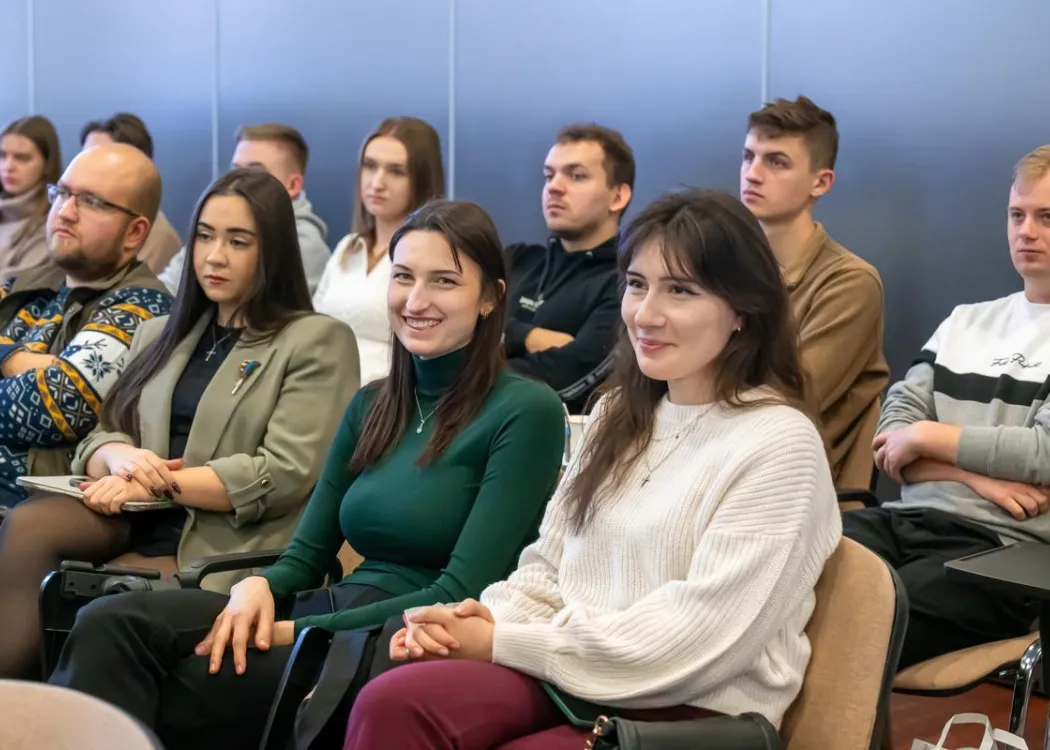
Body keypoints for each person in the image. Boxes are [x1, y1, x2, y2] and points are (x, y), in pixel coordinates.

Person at [48, 200, 566, 750]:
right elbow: (305, 558)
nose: (416, 301)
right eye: (404, 277)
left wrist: (290, 632)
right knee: (110, 622)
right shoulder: (373, 404)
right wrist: (256, 587)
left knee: (177, 679)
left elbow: (460, 590)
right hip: (331, 609)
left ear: (490, 297)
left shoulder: (525, 410)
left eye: (444, 282)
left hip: (404, 635)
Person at [344, 189, 843, 749]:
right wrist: (477, 619)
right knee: (393, 700)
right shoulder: (616, 414)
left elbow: (696, 641)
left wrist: (505, 642)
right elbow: (548, 566)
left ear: (743, 312)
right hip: (572, 676)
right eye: (636, 284)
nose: (645, 313)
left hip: (693, 712)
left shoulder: (779, 444)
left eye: (680, 290)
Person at [0, 168, 360, 679]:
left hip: (223, 541)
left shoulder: (316, 340)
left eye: (238, 241)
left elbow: (282, 473)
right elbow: (104, 433)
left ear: (273, 250)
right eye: (206, 237)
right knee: (29, 523)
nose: (214, 256)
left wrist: (153, 484)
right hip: (133, 514)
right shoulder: (160, 334)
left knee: (97, 606)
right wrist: (120, 459)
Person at [842, 145, 1050, 668]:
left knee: (861, 623)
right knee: (779, 574)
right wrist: (976, 477)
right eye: (1017, 214)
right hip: (903, 519)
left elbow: (1043, 455)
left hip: (1009, 550)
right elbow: (893, 436)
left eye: (1046, 217)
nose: (1026, 231)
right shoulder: (964, 321)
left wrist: (930, 439)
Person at [0, 143, 172, 509]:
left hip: (30, 503)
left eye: (91, 201)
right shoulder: (23, 285)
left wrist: (11, 356)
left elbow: (53, 406)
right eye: (61, 193)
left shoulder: (144, 307)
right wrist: (23, 362)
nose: (65, 211)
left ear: (134, 232)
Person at [741, 96, 889, 490]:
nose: (752, 174)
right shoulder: (724, 271)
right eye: (748, 156)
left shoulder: (850, 282)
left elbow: (781, 402)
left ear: (820, 182)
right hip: (722, 466)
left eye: (776, 162)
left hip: (792, 490)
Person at [504, 123, 634, 414]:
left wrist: (493, 343)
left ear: (617, 196)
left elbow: (570, 377)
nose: (555, 187)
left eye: (576, 176)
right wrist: (525, 336)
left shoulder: (629, 280)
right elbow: (456, 332)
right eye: (549, 175)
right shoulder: (516, 260)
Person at [313, 116, 445, 385]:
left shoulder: (436, 257)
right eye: (369, 166)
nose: (377, 182)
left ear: (421, 179)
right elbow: (313, 330)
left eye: (396, 171)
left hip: (388, 401)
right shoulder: (346, 248)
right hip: (321, 393)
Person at [159, 123, 330, 295]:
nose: (239, 183)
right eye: (236, 171)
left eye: (254, 174)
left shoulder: (304, 244)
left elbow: (276, 314)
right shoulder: (214, 221)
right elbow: (167, 286)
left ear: (293, 185)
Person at [80, 113, 183, 274]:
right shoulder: (73, 214)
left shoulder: (158, 236)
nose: (86, 167)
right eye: (84, 157)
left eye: (101, 159)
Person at [0, 115, 61, 283]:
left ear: (46, 164)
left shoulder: (53, 224)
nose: (8, 166)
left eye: (21, 158)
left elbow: (12, 288)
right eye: (2, 155)